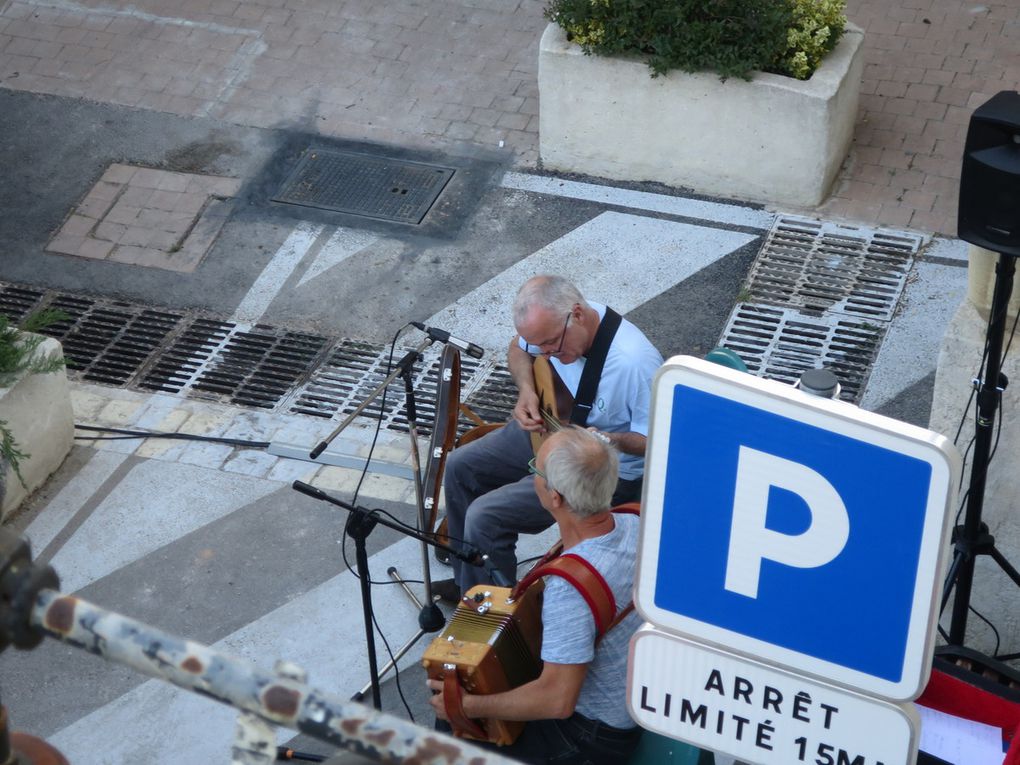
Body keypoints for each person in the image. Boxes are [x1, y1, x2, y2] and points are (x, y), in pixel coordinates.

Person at [435, 274, 662, 599]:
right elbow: (518, 349)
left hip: (599, 467)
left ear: (578, 314)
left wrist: (611, 440)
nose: (548, 353)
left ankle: (497, 616)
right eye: (541, 346)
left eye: (552, 343)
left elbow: (656, 441)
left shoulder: (635, 365)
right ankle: (468, 584)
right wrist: (527, 390)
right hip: (554, 426)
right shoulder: (552, 330)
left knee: (484, 516)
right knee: (460, 465)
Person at [428, 427, 643, 764]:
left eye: (535, 469)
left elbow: (557, 700)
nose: (533, 474)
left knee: (449, 719)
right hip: (632, 700)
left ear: (553, 496)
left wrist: (469, 706)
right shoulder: (636, 521)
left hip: (591, 736)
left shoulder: (570, 590)